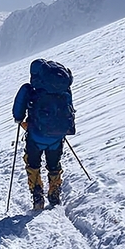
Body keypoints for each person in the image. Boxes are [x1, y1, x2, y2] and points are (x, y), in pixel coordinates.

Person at [13, 59, 76, 210]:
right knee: (54, 164)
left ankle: (37, 193)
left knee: (33, 164)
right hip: (57, 136)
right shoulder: (63, 89)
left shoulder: (29, 90)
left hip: (35, 135)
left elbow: (17, 112)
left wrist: (20, 120)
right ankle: (54, 191)